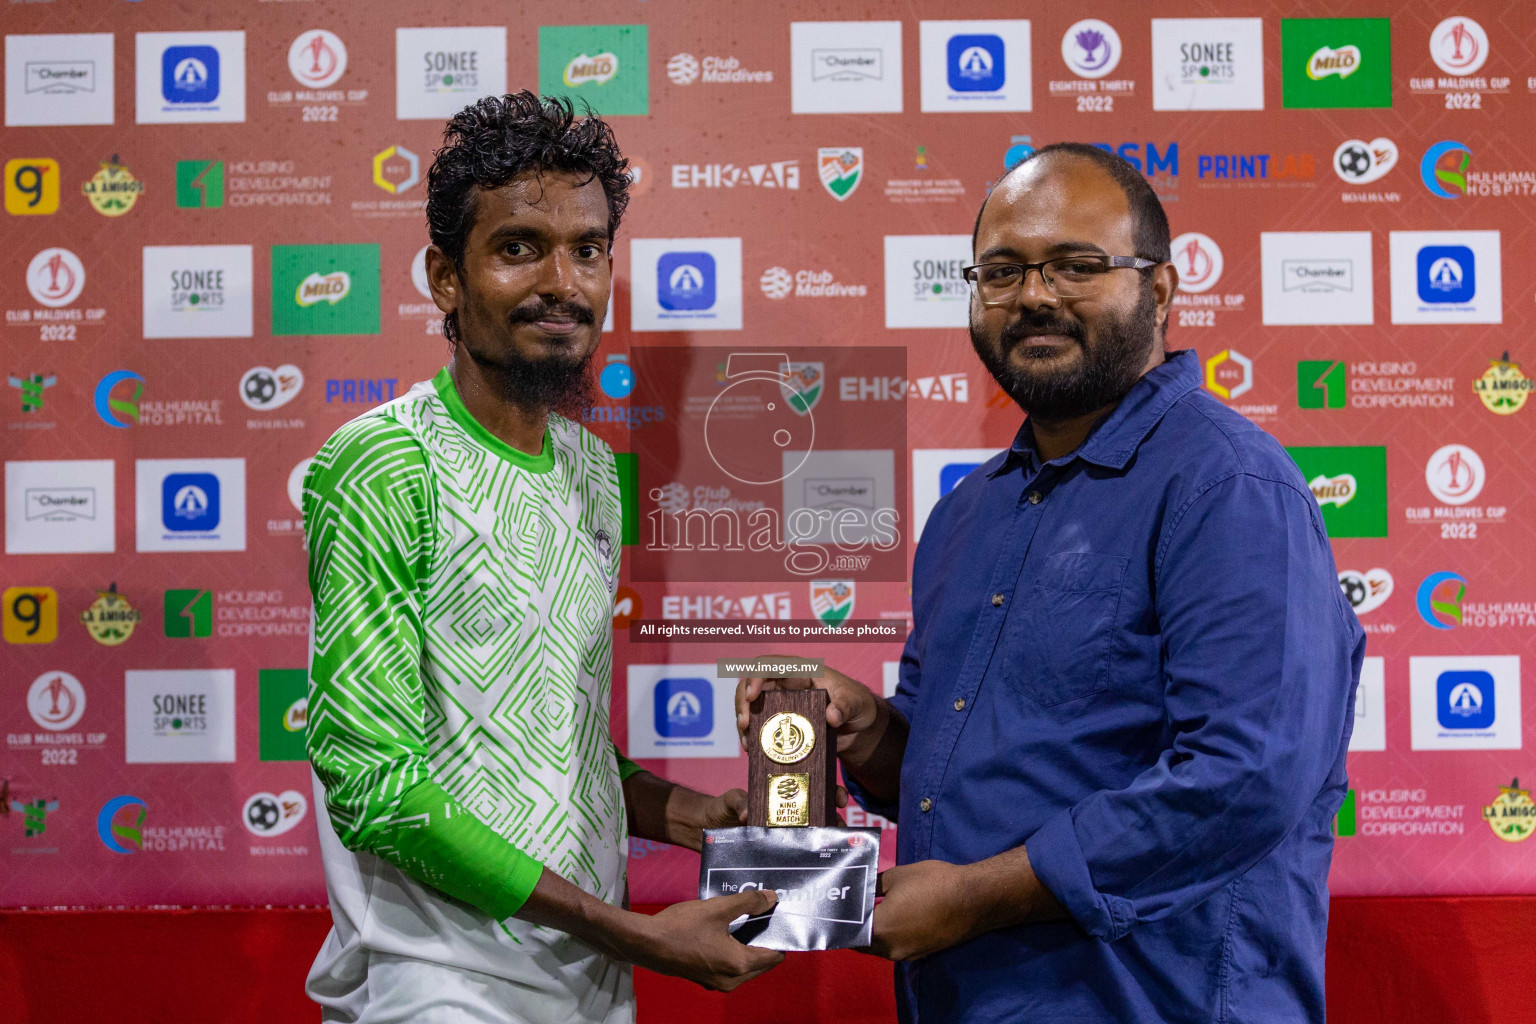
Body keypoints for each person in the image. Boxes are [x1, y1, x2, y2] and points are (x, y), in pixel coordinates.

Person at [738, 142, 1363, 1023]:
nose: (1034, 295)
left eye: (1076, 266)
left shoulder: (1227, 487)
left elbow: (1244, 776)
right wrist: (870, 728)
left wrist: (974, 899)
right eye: (1002, 270)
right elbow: (954, 762)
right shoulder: (968, 516)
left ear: (1162, 290)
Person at [302, 92, 781, 1024]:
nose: (562, 281)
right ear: (446, 278)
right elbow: (376, 787)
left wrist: (693, 818)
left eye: (588, 249)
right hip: (436, 986)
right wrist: (634, 932)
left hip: (589, 983)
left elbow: (538, 745)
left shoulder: (593, 470)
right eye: (519, 246)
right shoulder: (380, 462)